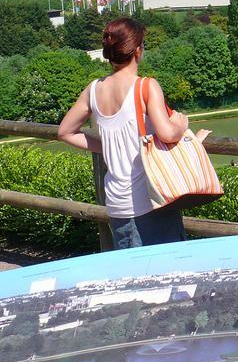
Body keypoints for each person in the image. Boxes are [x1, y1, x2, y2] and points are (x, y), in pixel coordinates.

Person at [58, 17, 207, 249]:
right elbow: (167, 134)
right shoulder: (146, 86)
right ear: (137, 50)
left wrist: (107, 145)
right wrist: (182, 124)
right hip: (151, 200)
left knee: (132, 277)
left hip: (117, 204)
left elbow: (65, 132)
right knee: (162, 275)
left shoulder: (94, 88)